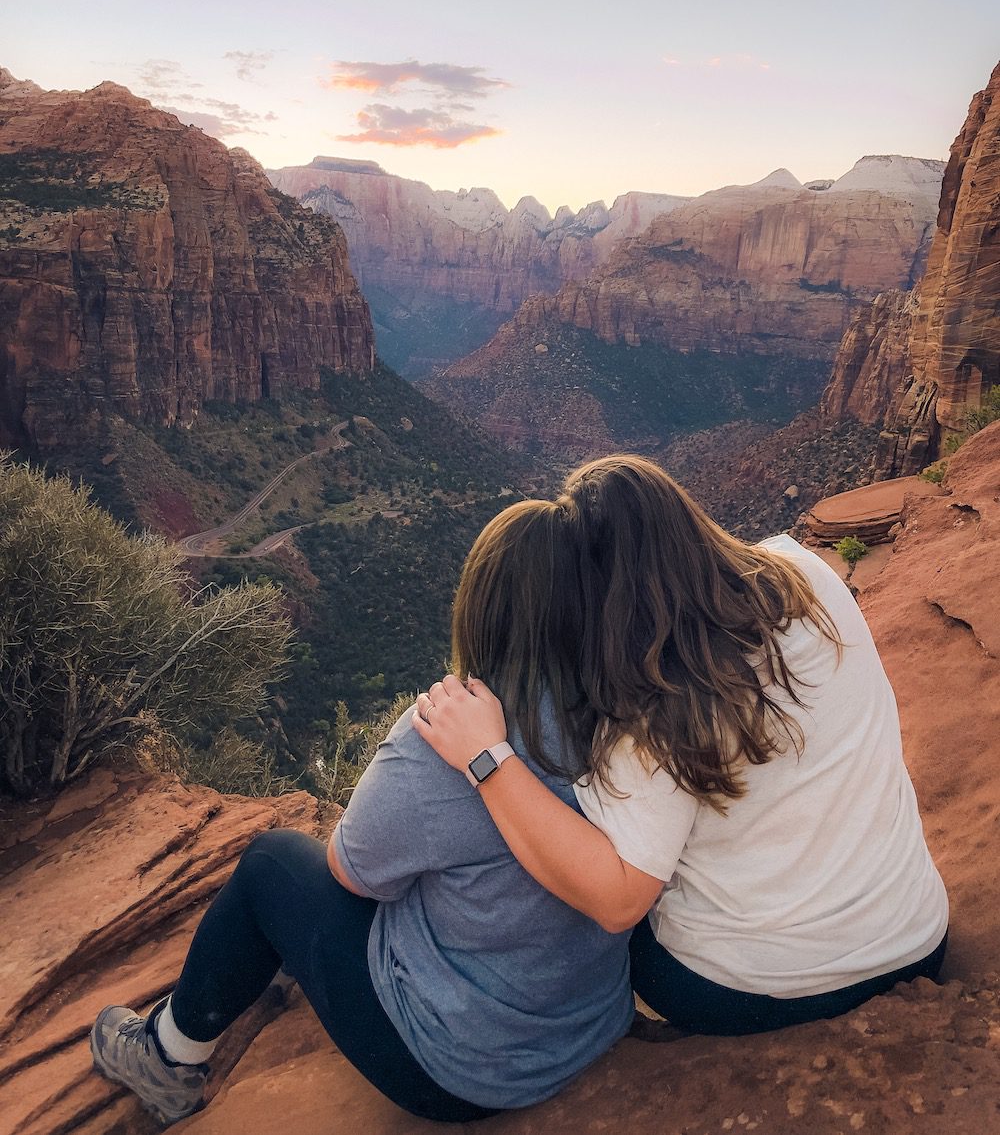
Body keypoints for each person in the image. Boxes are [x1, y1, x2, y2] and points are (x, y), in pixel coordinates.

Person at [90, 500, 634, 1126]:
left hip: (463, 1070)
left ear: (482, 601)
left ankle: (166, 1058)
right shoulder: (634, 711)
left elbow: (352, 873)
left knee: (273, 863)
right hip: (593, 1019)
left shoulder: (443, 736)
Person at [415, 454, 949, 1036]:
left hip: (758, 991)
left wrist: (486, 759)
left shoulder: (653, 703)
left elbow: (617, 899)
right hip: (916, 940)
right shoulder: (806, 573)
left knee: (583, 925)